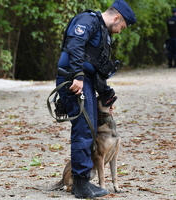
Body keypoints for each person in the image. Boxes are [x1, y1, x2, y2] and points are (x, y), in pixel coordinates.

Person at [55, 0, 136, 198]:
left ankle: (83, 181)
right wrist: (78, 76)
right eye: (122, 27)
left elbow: (96, 66)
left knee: (90, 128)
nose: (119, 31)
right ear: (116, 17)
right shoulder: (88, 21)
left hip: (86, 81)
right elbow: (75, 46)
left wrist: (106, 93)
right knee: (83, 128)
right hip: (74, 79)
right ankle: (81, 184)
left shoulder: (103, 32)